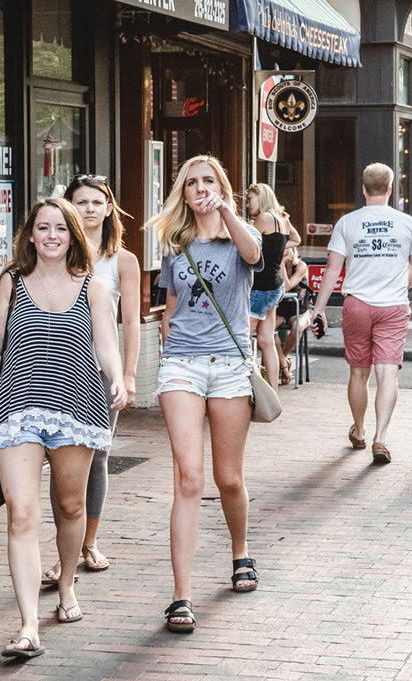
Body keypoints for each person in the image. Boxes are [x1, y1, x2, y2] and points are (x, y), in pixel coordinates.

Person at [0, 198, 126, 658]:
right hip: (16, 409)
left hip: (76, 409)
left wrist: (117, 377)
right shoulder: (10, 282)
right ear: (31, 234)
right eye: (44, 227)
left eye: (61, 228)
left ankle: (66, 585)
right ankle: (27, 627)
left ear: (73, 235)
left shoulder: (92, 287)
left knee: (71, 507)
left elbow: (106, 346)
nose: (52, 235)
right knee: (22, 513)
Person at [146, 155, 264, 633]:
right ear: (182, 191)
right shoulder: (175, 245)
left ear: (221, 187)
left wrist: (228, 212)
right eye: (191, 182)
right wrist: (168, 342)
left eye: (207, 181)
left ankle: (241, 551)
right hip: (182, 367)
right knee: (189, 479)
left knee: (228, 478)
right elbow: (170, 307)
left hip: (231, 367)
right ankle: (181, 596)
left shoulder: (238, 238)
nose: (198, 189)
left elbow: (256, 254)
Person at [41, 174, 140, 586]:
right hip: (57, 370)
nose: (89, 209)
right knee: (58, 460)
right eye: (80, 202)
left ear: (109, 208)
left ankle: (89, 542)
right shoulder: (58, 252)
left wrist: (130, 375)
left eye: (97, 202)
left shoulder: (123, 260)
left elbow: (131, 321)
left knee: (96, 456)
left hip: (100, 371)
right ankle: (63, 548)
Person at [311, 163, 412, 464]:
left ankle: (360, 431)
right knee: (387, 372)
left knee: (358, 372)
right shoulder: (407, 223)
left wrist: (319, 309)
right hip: (393, 306)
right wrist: (396, 287)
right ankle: (381, 437)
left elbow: (333, 270)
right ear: (390, 190)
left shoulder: (347, 223)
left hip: (357, 304)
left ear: (363, 189)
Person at [247, 183, 298, 391]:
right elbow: (296, 239)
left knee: (241, 340)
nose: (248, 203)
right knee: (266, 339)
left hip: (260, 287)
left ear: (262, 198)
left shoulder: (263, 219)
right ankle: (273, 391)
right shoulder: (283, 219)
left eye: (250, 199)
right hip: (275, 286)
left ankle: (243, 388)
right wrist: (279, 247)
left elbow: (247, 247)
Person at [274, 241, 313, 384]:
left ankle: (282, 359)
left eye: (288, 248)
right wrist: (281, 264)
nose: (285, 251)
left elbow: (288, 286)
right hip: (281, 309)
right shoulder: (275, 265)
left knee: (297, 328)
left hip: (301, 309)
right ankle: (284, 364)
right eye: (282, 249)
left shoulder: (300, 266)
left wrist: (283, 263)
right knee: (267, 331)